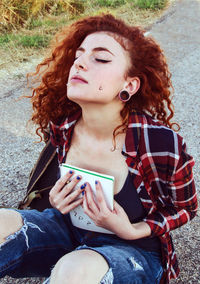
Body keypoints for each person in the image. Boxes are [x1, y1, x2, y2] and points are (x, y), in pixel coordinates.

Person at [0, 14, 198, 284]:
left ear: (129, 85)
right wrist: (56, 203)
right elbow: (59, 196)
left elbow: (185, 208)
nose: (79, 63)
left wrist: (132, 229)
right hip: (67, 233)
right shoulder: (63, 125)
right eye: (78, 56)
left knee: (74, 269)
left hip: (134, 251)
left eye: (101, 59)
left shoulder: (160, 143)